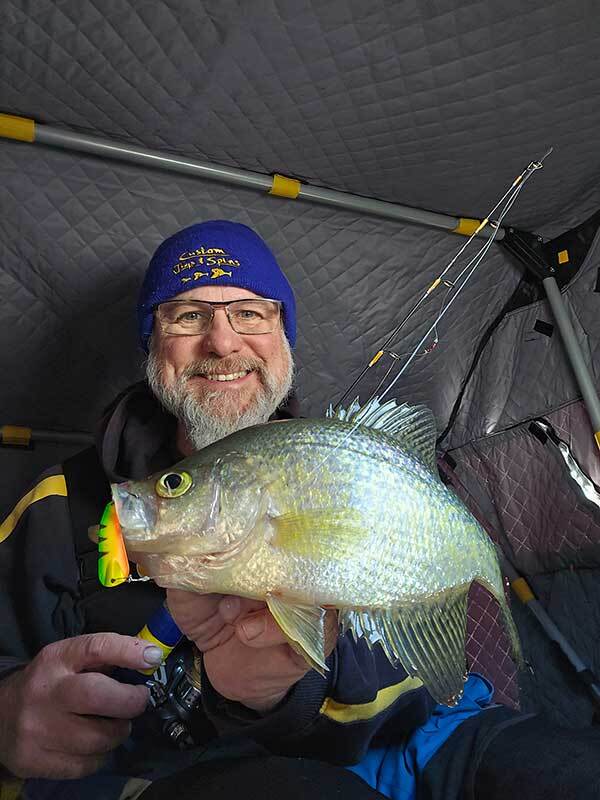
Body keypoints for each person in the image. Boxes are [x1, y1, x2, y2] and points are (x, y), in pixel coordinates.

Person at [1, 220, 600, 800]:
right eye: (187, 316)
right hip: (201, 772)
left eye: (252, 313)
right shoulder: (60, 504)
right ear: (151, 347)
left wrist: (284, 689)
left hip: (425, 736)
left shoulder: (349, 469)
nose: (223, 341)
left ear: (284, 341)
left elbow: (410, 698)